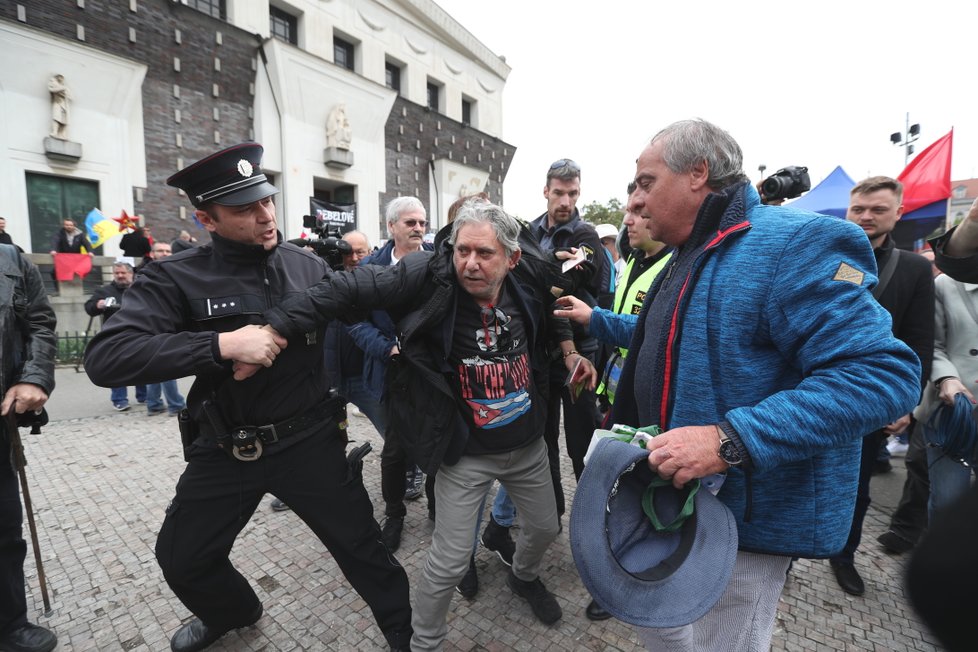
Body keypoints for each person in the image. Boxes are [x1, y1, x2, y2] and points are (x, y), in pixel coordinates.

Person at [83, 143, 413, 652]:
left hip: (310, 445)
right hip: (228, 449)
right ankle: (234, 611)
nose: (265, 217)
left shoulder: (305, 267)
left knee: (363, 550)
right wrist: (221, 343)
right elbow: (108, 357)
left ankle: (404, 634)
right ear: (206, 218)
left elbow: (371, 295)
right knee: (183, 558)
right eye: (244, 209)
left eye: (267, 201)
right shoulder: (176, 277)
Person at [607, 119, 920, 651]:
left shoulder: (792, 243)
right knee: (660, 629)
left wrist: (731, 439)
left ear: (697, 174)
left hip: (740, 529)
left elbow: (883, 374)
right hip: (671, 502)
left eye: (645, 180)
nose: (635, 196)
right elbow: (676, 344)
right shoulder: (684, 255)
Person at [254, 198, 596, 650]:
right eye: (461, 250)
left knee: (547, 527)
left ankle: (523, 576)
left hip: (528, 446)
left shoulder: (529, 277)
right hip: (465, 453)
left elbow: (557, 313)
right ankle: (426, 641)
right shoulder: (428, 275)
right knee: (450, 561)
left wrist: (571, 350)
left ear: (511, 258)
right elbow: (348, 289)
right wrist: (277, 325)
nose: (469, 264)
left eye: (484, 254)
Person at [553, 181, 672, 621]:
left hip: (647, 406)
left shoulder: (674, 267)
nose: (628, 220)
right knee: (615, 487)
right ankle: (615, 568)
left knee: (636, 493)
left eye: (639, 212)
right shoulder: (634, 263)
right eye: (628, 211)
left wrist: (593, 320)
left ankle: (628, 578)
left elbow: (649, 338)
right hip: (616, 395)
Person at [825, 176, 935, 596]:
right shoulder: (827, 254)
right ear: (848, 211)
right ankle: (788, 553)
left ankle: (844, 555)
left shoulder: (914, 268)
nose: (867, 217)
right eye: (859, 209)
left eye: (878, 210)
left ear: (898, 213)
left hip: (871, 399)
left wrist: (906, 402)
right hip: (814, 389)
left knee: (857, 488)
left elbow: (919, 340)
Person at [528, 158, 612, 524]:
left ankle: (591, 517)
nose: (565, 200)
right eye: (559, 192)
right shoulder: (529, 231)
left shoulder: (586, 235)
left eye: (572, 193)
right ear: (546, 191)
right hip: (540, 357)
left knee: (582, 440)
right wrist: (544, 264)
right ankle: (554, 513)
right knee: (543, 440)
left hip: (581, 355)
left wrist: (537, 268)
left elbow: (566, 284)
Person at [361, 197, 435, 551]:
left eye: (421, 222)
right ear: (391, 227)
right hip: (391, 372)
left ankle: (441, 515)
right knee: (393, 452)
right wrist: (386, 347)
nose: (418, 228)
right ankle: (394, 514)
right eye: (410, 223)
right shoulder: (370, 267)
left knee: (438, 446)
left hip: (433, 373)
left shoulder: (440, 262)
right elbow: (354, 323)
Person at [0, 243, 57, 652]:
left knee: (4, 530)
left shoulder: (11, 260)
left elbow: (39, 323)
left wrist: (34, 377)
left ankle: (9, 622)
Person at [84, 262, 147, 411]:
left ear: (130, 273)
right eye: (117, 273)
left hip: (139, 332)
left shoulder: (141, 288)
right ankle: (119, 399)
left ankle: (143, 396)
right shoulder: (105, 290)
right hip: (114, 336)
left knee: (141, 364)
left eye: (123, 273)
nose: (120, 276)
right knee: (117, 367)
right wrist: (97, 305)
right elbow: (89, 307)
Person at [140, 242, 187, 417]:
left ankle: (154, 404)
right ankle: (175, 404)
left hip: (168, 323)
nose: (165, 253)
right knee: (166, 364)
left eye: (168, 251)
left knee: (155, 365)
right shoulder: (148, 273)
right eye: (161, 250)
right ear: (152, 254)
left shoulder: (174, 270)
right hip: (156, 323)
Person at [47, 74, 71, 140]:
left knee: (64, 120)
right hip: (57, 103)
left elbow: (70, 97)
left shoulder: (64, 87)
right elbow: (52, 90)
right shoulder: (55, 85)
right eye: (59, 78)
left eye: (62, 78)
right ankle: (55, 132)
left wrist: (65, 93)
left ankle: (63, 134)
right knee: (56, 117)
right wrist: (62, 89)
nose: (61, 79)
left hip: (64, 105)